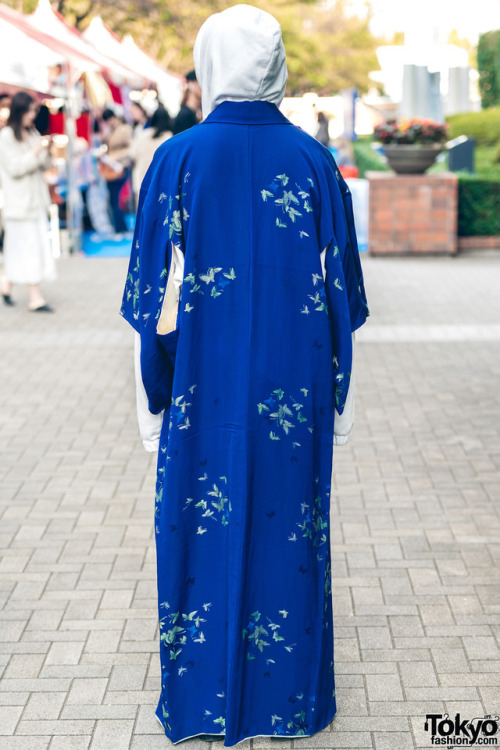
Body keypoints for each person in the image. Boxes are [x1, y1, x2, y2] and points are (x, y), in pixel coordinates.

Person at [120, 4, 368, 746]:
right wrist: (340, 396)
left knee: (199, 529)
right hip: (295, 390)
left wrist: (153, 393)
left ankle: (202, 701)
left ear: (208, 61)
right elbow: (342, 294)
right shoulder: (316, 160)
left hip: (206, 384)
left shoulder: (178, 156)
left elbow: (149, 294)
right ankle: (288, 702)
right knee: (290, 530)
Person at [0, 91, 55, 311]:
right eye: (30, 111)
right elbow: (15, 169)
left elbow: (42, 165)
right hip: (19, 205)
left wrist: (46, 150)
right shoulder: (6, 137)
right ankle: (35, 297)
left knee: (22, 250)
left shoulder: (32, 133)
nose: (33, 115)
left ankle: (5, 284)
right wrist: (36, 151)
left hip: (36, 202)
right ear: (20, 111)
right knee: (29, 249)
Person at [129, 104, 172, 210]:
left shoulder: (143, 135)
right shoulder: (168, 137)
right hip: (161, 183)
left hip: (141, 180)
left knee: (142, 216)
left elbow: (132, 154)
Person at [99, 108, 132, 236]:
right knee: (114, 199)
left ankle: (120, 227)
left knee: (118, 199)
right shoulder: (112, 131)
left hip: (120, 168)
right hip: (111, 168)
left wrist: (116, 157)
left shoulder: (124, 129)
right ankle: (119, 226)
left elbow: (130, 148)